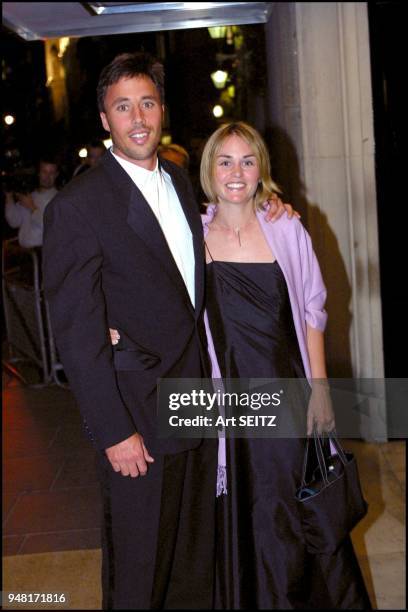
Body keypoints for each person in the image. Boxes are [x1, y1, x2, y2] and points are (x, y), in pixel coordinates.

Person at [42, 53, 293, 610]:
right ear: (105, 119)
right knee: (139, 568)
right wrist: (113, 431)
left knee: (191, 558)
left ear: (162, 110)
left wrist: (270, 209)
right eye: (123, 106)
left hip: (194, 401)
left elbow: (213, 247)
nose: (138, 117)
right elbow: (78, 334)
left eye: (147, 103)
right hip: (135, 416)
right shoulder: (78, 206)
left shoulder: (180, 180)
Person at [199, 121, 372, 609]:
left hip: (289, 396)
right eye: (225, 160)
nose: (236, 171)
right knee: (249, 516)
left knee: (298, 513)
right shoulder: (192, 237)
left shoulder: (285, 227)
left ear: (261, 171)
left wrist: (320, 390)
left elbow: (314, 311)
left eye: (247, 160)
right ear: (210, 169)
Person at [4, 159, 59, 248]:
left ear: (56, 175)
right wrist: (9, 197)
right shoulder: (31, 196)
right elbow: (14, 222)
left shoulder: (58, 198)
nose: (47, 176)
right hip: (26, 253)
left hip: (43, 252)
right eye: (44, 172)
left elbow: (52, 227)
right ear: (39, 173)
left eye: (51, 173)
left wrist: (32, 207)